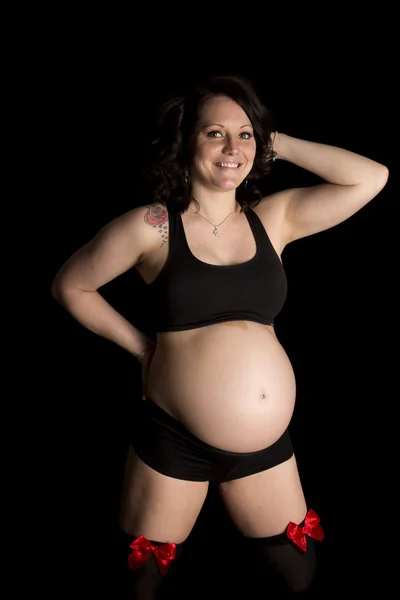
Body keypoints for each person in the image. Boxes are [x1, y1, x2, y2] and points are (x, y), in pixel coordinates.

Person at [51, 74, 389, 598]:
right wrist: (142, 347)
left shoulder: (273, 220)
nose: (233, 148)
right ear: (186, 141)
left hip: (266, 450)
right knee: (140, 584)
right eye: (215, 134)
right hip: (175, 441)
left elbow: (371, 178)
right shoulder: (154, 225)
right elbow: (71, 285)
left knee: (298, 575)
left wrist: (275, 139)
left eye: (246, 134)